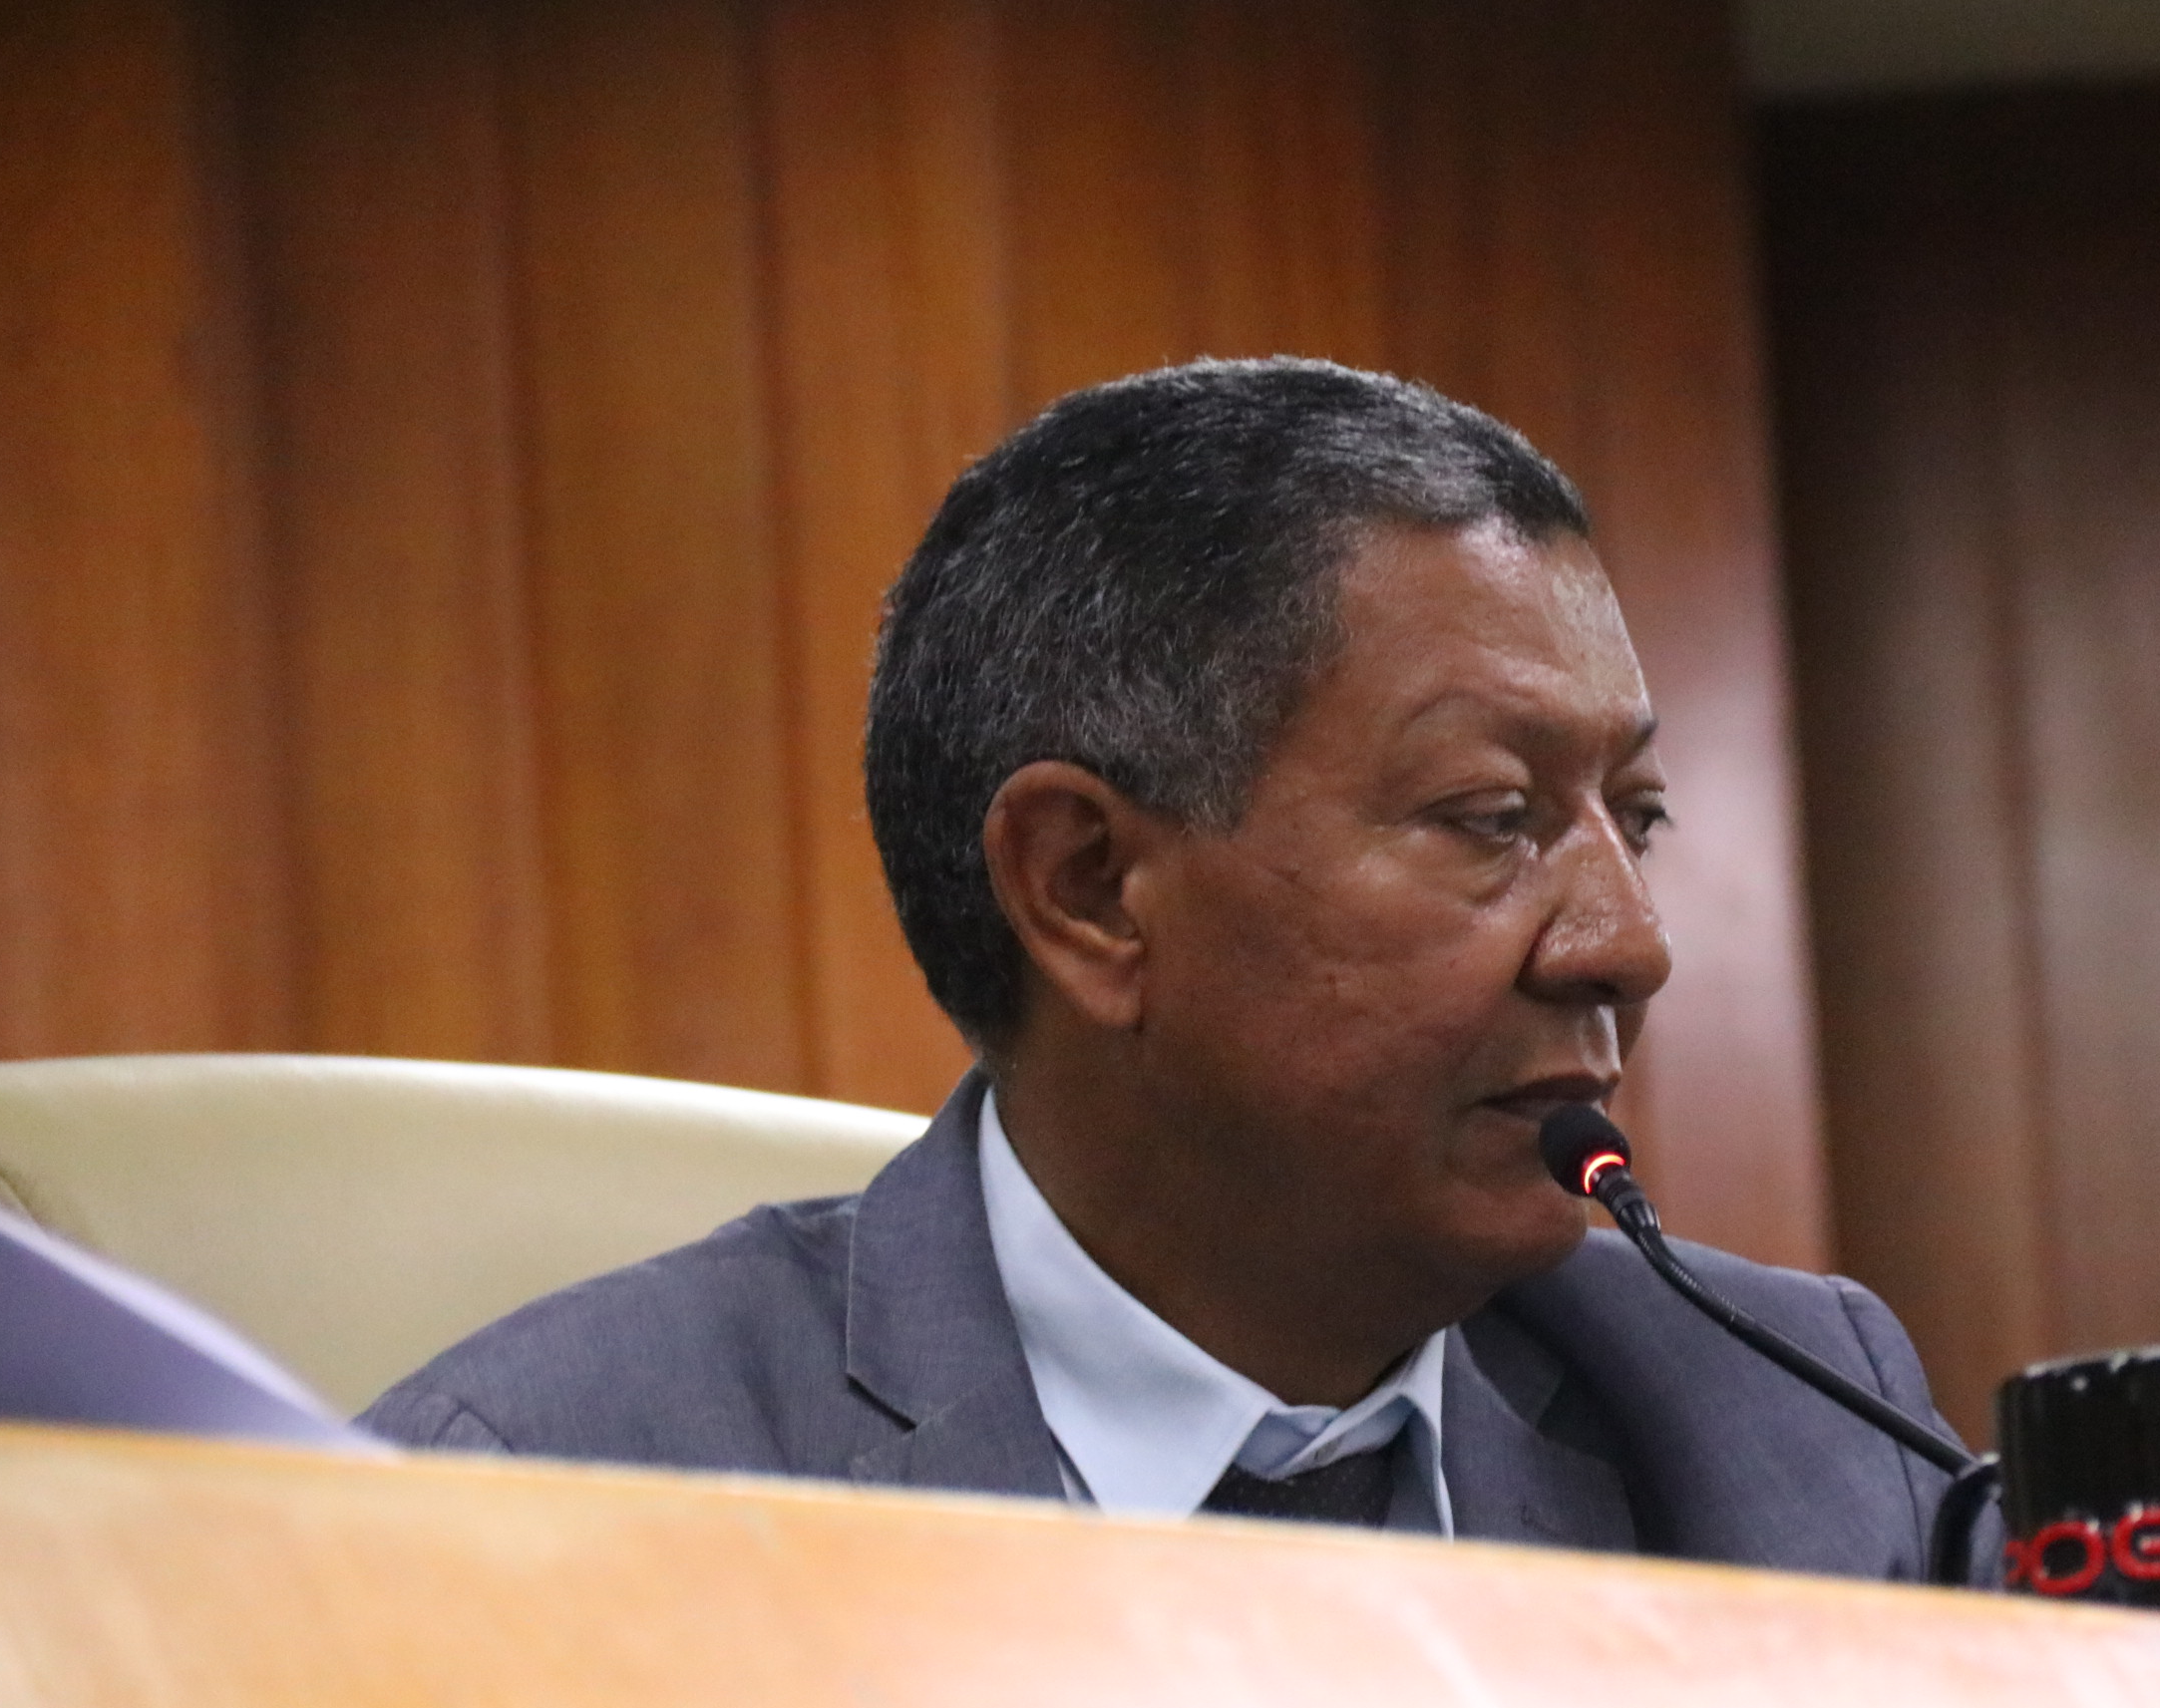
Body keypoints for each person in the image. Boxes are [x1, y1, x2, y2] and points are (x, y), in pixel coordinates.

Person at [363, 358, 1989, 1583]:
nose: (1627, 942)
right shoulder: (541, 1502)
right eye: (1492, 818)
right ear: (1088, 890)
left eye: (1636, 816)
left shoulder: (1790, 1424)